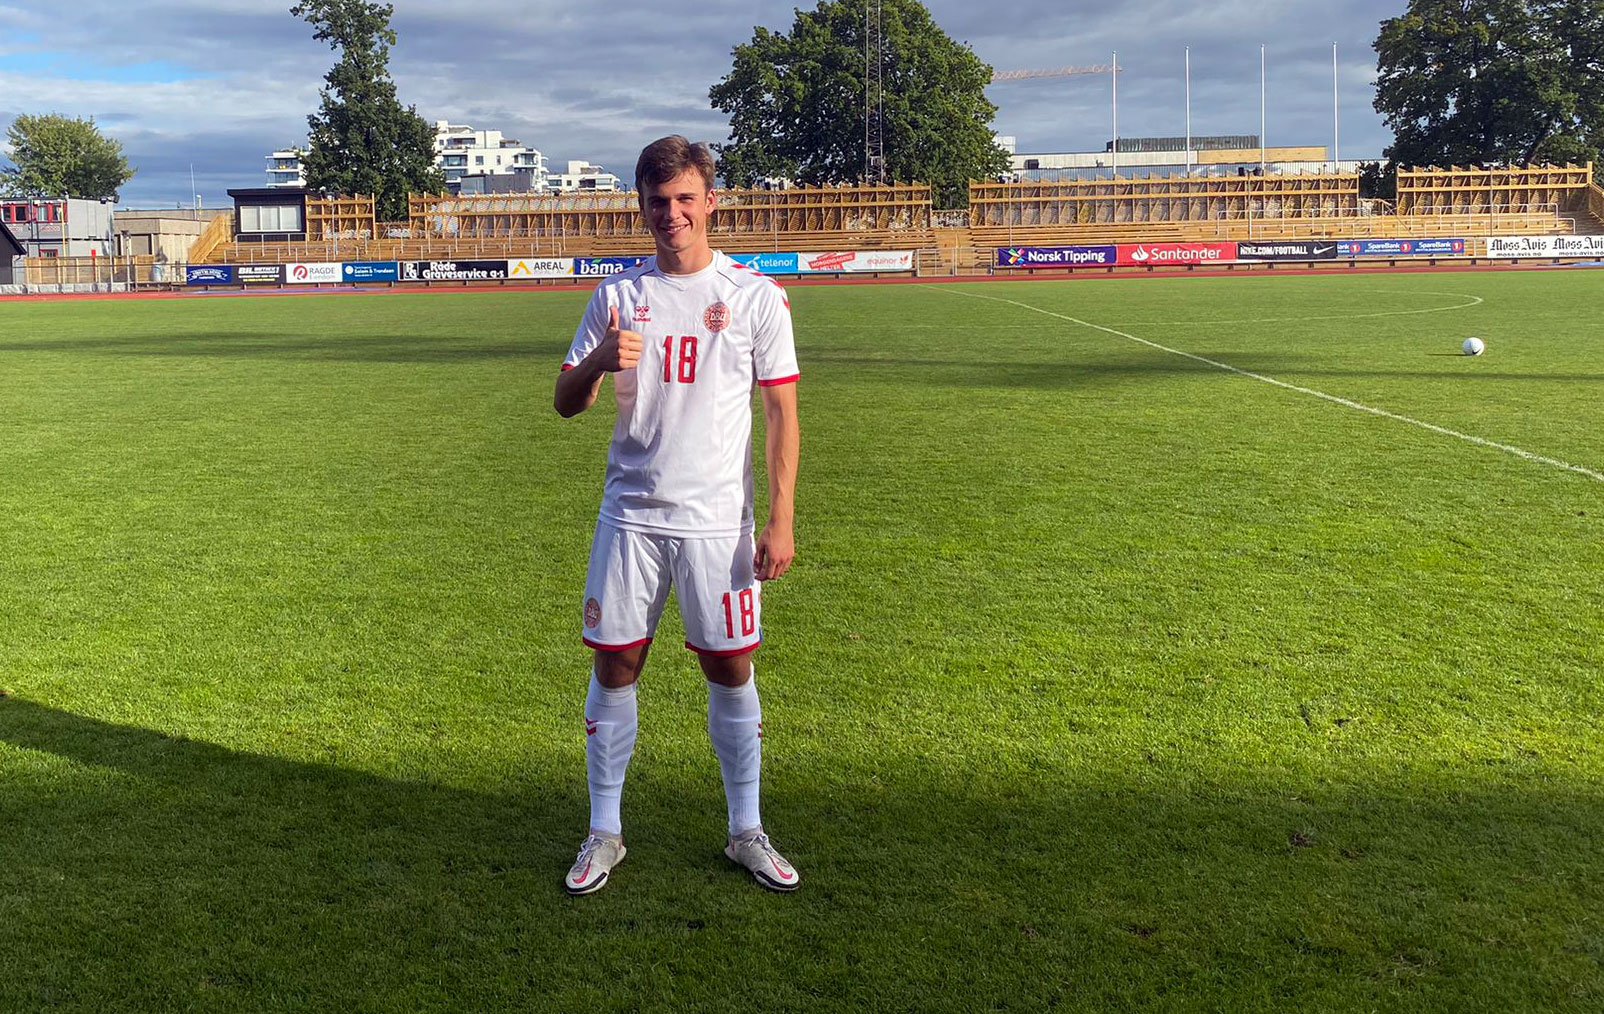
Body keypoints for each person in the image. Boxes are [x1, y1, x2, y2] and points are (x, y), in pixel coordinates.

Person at [554, 135, 801, 895]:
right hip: (630, 517)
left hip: (719, 522)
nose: (673, 213)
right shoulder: (616, 296)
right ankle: (604, 832)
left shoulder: (756, 297)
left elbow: (782, 414)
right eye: (658, 201)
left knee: (730, 667)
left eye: (686, 198)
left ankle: (746, 829)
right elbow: (564, 401)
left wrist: (782, 518)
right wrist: (600, 361)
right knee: (616, 663)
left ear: (710, 202)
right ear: (641, 206)